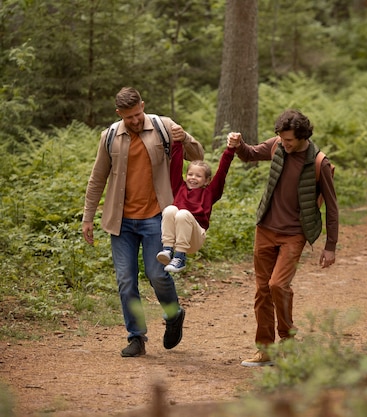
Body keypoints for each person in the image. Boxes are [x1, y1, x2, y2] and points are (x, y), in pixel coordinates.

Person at [82, 87, 204, 357]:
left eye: (138, 114)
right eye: (129, 117)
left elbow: (199, 155)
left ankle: (174, 315)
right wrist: (87, 217)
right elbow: (97, 178)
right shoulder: (110, 136)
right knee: (126, 281)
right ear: (119, 114)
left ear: (143, 106)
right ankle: (136, 337)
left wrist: (185, 139)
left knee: (158, 274)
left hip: (156, 218)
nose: (135, 121)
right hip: (121, 222)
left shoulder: (164, 126)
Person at [227, 109, 338, 367]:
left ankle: (288, 342)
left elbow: (332, 207)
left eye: (289, 140)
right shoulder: (277, 145)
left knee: (278, 285)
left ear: (302, 137)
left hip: (294, 234)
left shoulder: (320, 163)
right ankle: (265, 350)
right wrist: (238, 144)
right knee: (262, 291)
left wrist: (330, 246)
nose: (284, 143)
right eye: (282, 138)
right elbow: (250, 154)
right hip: (265, 228)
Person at [156, 137, 236, 273]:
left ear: (206, 181)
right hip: (177, 235)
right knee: (170, 209)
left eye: (198, 176)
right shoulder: (178, 187)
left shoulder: (210, 192)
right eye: (190, 174)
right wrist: (177, 142)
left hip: (195, 237)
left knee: (183, 213)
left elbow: (222, 171)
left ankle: (180, 257)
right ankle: (168, 249)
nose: (193, 178)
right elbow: (175, 165)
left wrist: (230, 149)